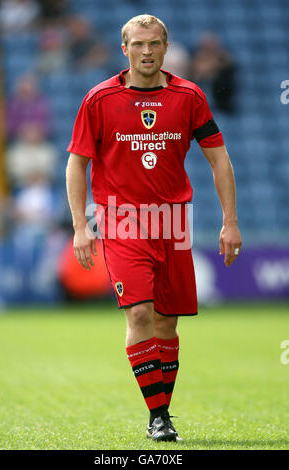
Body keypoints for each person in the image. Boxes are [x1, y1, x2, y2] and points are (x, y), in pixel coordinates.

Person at [66, 14, 242, 442]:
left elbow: (219, 159)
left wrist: (230, 221)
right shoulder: (99, 99)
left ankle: (160, 413)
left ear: (166, 47)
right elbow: (77, 162)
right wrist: (80, 227)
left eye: (154, 44)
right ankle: (159, 418)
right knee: (140, 313)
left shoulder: (189, 96)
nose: (147, 51)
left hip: (174, 222)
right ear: (124, 49)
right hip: (121, 220)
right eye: (138, 44)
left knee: (167, 323)